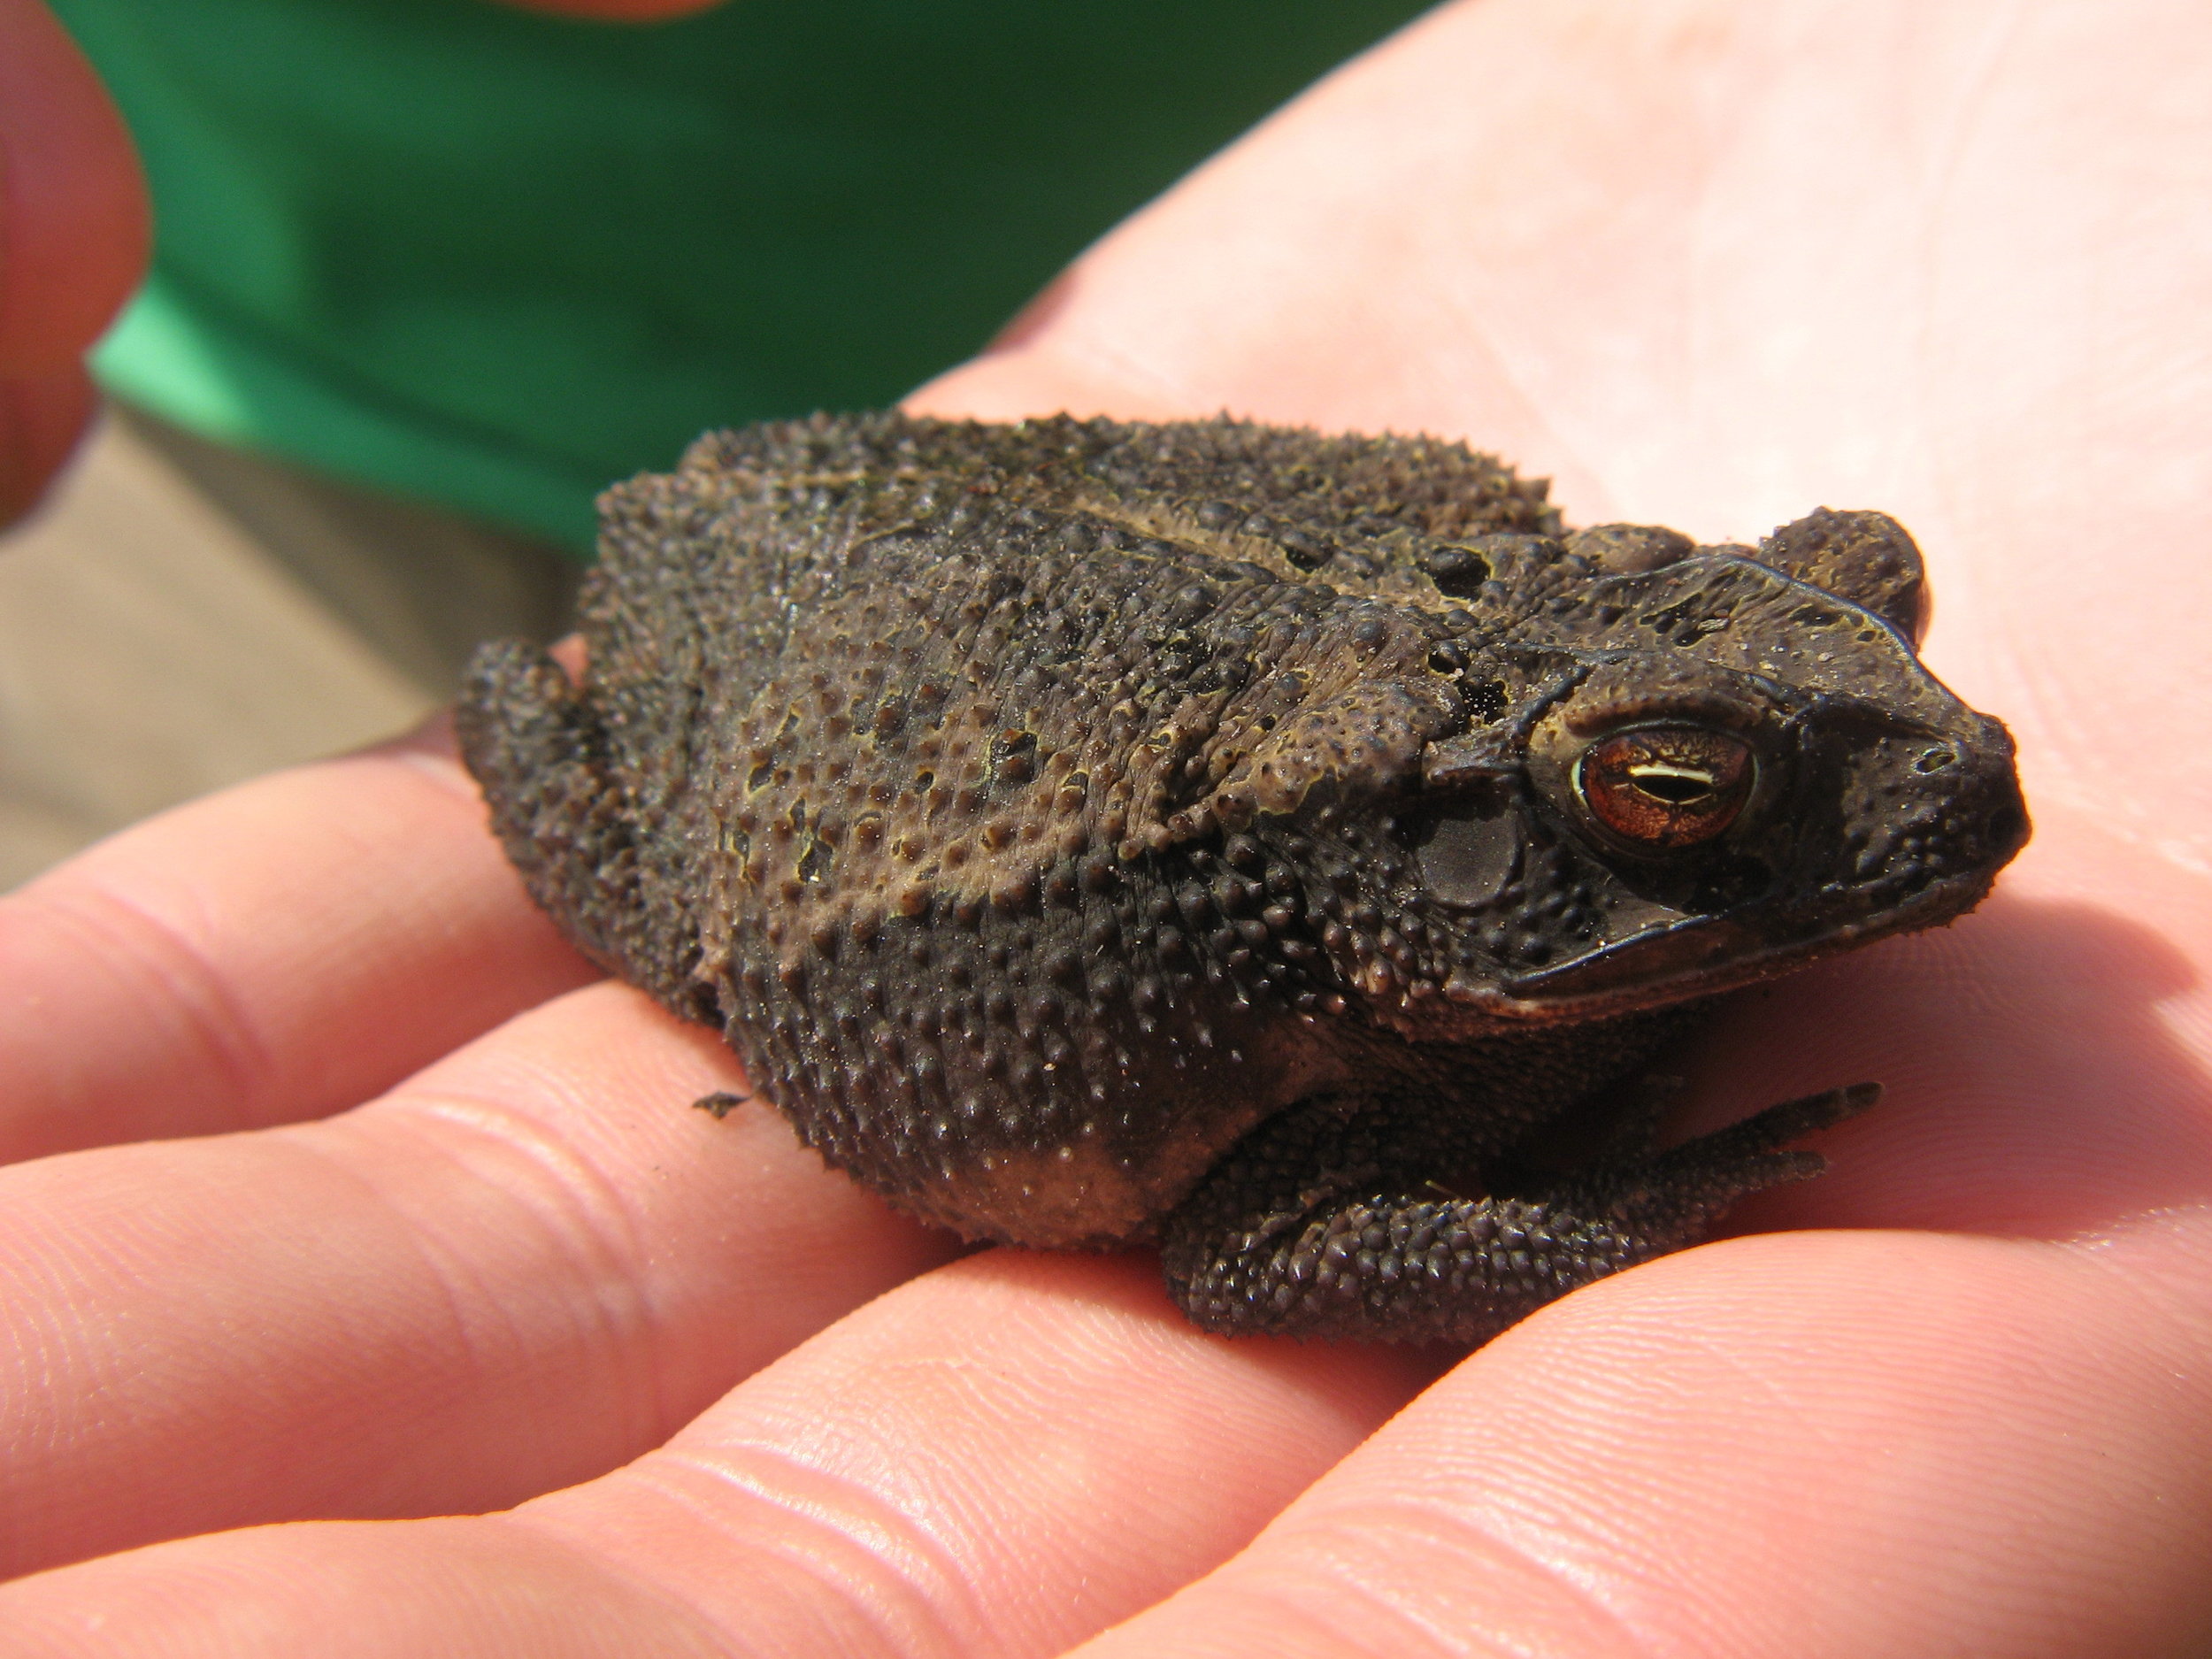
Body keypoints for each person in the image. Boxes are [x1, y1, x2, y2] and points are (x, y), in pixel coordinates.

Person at [4, 0, 2210, 1650]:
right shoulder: (1327, 901)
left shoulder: (1462, 736)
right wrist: (1610, 1220)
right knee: (662, 889)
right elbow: (1253, 1244)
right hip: (704, 614)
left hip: (923, 508)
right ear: (1477, 839)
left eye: (1866, 608)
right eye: (1672, 800)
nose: (1934, 758)